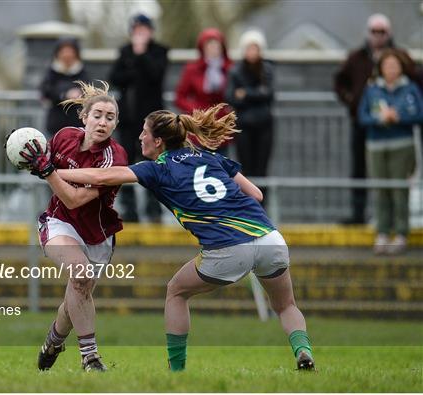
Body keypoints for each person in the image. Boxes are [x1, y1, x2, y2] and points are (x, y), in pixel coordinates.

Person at [54, 104, 315, 372]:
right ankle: (303, 351)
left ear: (158, 141)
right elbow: (257, 195)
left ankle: (176, 371)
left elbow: (104, 176)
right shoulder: (210, 156)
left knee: (176, 292)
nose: (140, 138)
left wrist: (53, 172)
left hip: (227, 248)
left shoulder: (156, 169)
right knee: (285, 305)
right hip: (270, 238)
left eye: (144, 133)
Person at [16, 81, 127, 372]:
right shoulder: (64, 136)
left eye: (110, 117)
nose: (103, 122)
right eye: (98, 115)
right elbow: (39, 164)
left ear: (116, 124)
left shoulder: (114, 158)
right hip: (60, 222)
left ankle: (53, 340)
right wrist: (24, 155)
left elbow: (76, 198)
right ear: (84, 117)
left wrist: (48, 171)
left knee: (78, 293)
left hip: (97, 235)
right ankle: (90, 358)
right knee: (80, 275)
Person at [334, 14, 418, 224]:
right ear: (368, 33)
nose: (378, 36)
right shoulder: (356, 57)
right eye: (374, 31)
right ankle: (358, 213)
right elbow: (339, 81)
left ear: (388, 33)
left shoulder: (401, 55)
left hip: (396, 131)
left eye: (382, 31)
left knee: (396, 178)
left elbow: (416, 82)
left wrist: (405, 110)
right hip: (363, 122)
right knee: (359, 167)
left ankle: (395, 223)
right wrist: (351, 99)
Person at [358, 50, 423, 255]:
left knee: (399, 190)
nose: (391, 70)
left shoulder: (409, 88)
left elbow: (419, 113)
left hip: (402, 146)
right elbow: (363, 116)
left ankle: (401, 233)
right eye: (387, 66)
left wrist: (399, 117)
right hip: (376, 147)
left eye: (395, 66)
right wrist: (379, 119)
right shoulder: (372, 89)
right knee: (380, 190)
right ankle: (383, 233)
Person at [108, 13, 168, 222]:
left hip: (152, 122)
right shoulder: (125, 52)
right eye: (136, 30)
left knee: (153, 162)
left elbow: (156, 75)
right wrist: (133, 57)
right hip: (128, 120)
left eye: (144, 30)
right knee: (125, 162)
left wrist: (141, 55)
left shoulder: (159, 51)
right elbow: (115, 78)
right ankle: (129, 209)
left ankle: (154, 209)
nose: (140, 34)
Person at [225, 29, 274, 203]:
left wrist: (245, 93)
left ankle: (263, 207)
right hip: (244, 127)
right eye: (249, 48)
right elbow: (230, 96)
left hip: (264, 126)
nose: (252, 52)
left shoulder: (267, 69)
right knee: (245, 169)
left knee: (262, 169)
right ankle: (247, 206)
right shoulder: (236, 71)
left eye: (255, 48)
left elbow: (268, 94)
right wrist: (255, 94)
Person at [175, 28, 233, 156]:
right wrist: (197, 111)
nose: (213, 49)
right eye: (209, 45)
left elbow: (233, 94)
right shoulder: (192, 69)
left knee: (221, 163)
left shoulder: (230, 68)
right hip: (199, 124)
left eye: (216, 45)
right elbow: (180, 97)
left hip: (221, 124)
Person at [39, 37, 90, 136]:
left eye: (70, 51)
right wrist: (65, 94)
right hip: (56, 123)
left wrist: (79, 94)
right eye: (64, 51)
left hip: (77, 123)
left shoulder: (82, 71)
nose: (67, 55)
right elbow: (46, 90)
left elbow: (88, 89)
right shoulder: (52, 72)